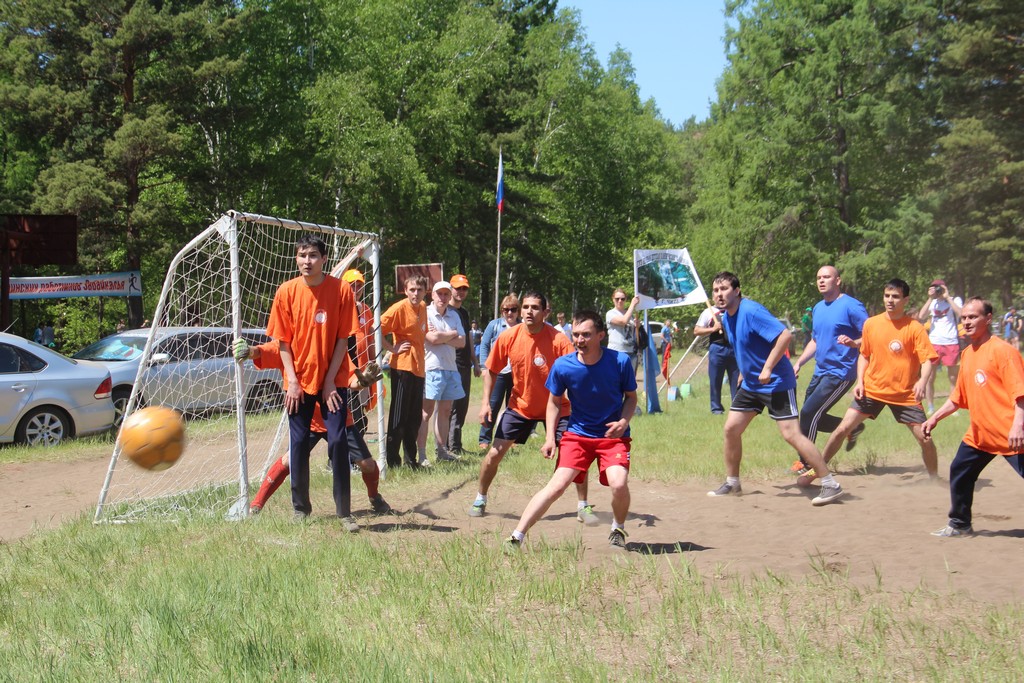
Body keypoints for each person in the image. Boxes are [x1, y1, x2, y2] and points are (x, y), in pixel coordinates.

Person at [704, 272, 845, 506]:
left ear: (737, 291)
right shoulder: (726, 317)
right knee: (731, 429)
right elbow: (743, 346)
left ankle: (831, 484)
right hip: (751, 384)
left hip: (776, 382)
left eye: (724, 289)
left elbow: (785, 335)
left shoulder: (751, 311)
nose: (719, 294)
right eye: (716, 290)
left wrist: (768, 367)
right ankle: (732, 483)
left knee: (791, 435)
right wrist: (743, 373)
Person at [503, 309, 638, 552]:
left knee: (619, 484)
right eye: (575, 334)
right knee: (556, 486)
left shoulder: (620, 362)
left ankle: (617, 529)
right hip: (578, 436)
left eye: (586, 334)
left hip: (612, 437)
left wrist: (623, 421)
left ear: (601, 336)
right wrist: (549, 438)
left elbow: (631, 398)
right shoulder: (563, 366)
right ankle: (516, 536)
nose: (579, 340)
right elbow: (554, 403)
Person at [469, 292, 594, 522]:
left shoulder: (558, 340)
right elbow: (492, 370)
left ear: (545, 312)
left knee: (575, 455)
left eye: (535, 307)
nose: (529, 311)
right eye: (525, 307)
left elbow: (577, 372)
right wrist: (485, 403)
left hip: (558, 407)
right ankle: (480, 498)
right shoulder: (509, 336)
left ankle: (583, 506)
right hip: (521, 407)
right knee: (494, 454)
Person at [233, 339, 392, 517]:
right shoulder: (288, 345)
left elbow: (351, 379)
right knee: (288, 461)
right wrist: (248, 350)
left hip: (336, 414)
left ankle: (374, 497)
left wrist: (363, 381)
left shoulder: (331, 346)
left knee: (367, 465)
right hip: (307, 420)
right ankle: (256, 505)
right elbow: (263, 352)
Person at [265, 234, 359, 527]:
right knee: (298, 444)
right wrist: (292, 381)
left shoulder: (341, 290)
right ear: (296, 258)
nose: (307, 261)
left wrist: (330, 381)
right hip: (298, 382)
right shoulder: (286, 291)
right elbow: (282, 342)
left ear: (324, 259)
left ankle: (344, 512)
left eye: (313, 255)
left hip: (333, 381)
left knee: (338, 440)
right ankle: (300, 509)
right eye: (303, 255)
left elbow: (343, 340)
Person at [813, 279, 939, 484]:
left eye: (895, 296)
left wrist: (922, 381)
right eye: (887, 296)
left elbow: (927, 360)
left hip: (905, 394)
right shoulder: (871, 324)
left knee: (925, 438)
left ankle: (934, 479)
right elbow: (864, 355)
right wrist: (860, 382)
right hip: (872, 390)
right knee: (842, 429)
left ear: (905, 300)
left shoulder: (915, 328)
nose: (890, 300)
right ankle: (818, 470)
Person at [923, 298, 1024, 537]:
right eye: (964, 318)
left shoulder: (1003, 351)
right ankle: (960, 524)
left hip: (1011, 433)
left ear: (988, 319)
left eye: (973, 317)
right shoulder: (967, 354)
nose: (967, 322)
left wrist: (1018, 427)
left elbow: (1020, 394)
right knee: (960, 470)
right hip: (981, 435)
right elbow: (957, 397)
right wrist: (935, 418)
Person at [791, 266, 869, 468]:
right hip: (821, 371)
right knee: (810, 416)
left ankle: (807, 463)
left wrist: (854, 343)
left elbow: (872, 335)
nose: (821, 281)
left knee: (809, 413)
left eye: (826, 277)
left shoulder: (851, 306)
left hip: (841, 372)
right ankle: (853, 427)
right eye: (819, 277)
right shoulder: (818, 308)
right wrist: (799, 363)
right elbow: (815, 341)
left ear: (838, 280)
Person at [380, 275, 427, 469]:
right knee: (398, 416)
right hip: (402, 368)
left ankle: (410, 460)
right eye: (412, 290)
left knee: (414, 417)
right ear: (405, 291)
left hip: (419, 368)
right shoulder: (398, 308)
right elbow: (375, 328)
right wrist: (392, 349)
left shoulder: (423, 307)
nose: (416, 294)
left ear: (425, 291)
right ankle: (392, 461)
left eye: (419, 290)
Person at [416, 280, 465, 465]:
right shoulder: (425, 312)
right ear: (433, 295)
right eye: (440, 294)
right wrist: (452, 334)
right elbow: (432, 338)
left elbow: (462, 342)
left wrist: (442, 336)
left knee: (445, 411)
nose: (443, 298)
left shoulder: (454, 315)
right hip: (431, 368)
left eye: (446, 294)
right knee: (426, 412)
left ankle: (442, 451)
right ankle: (422, 454)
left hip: (450, 368)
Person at [477, 295, 520, 448]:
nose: (509, 313)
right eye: (506, 310)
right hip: (498, 371)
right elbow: (484, 346)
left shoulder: (523, 327)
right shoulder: (494, 325)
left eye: (513, 309)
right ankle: (484, 439)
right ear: (502, 311)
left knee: (513, 407)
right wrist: (484, 367)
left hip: (516, 373)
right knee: (493, 405)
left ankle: (510, 439)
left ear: (518, 311)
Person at [917, 278, 963, 413]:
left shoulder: (955, 300)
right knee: (930, 377)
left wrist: (947, 297)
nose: (938, 291)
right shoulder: (933, 302)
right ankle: (930, 406)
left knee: (953, 377)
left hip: (951, 342)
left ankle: (953, 406)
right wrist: (930, 298)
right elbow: (921, 315)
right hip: (934, 342)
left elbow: (961, 314)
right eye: (935, 288)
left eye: (939, 288)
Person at [447, 274, 481, 456]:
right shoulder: (445, 310)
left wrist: (475, 362)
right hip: (450, 364)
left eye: (464, 289)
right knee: (451, 406)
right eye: (457, 288)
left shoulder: (464, 312)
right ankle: (449, 446)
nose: (461, 292)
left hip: (465, 365)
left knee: (462, 406)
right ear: (451, 289)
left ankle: (456, 444)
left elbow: (468, 338)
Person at [342, 268, 377, 434]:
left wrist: (374, 362)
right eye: (352, 285)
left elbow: (370, 339)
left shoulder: (366, 309)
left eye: (359, 286)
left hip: (363, 370)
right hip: (347, 372)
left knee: (360, 415)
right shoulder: (340, 308)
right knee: (352, 417)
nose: (356, 289)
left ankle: (355, 448)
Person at [693, 302, 739, 414]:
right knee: (715, 379)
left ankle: (738, 407)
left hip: (734, 347)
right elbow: (697, 331)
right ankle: (716, 409)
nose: (720, 297)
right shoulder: (708, 312)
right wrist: (712, 329)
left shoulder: (734, 308)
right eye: (717, 294)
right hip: (717, 348)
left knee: (737, 380)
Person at [606, 289, 640, 370]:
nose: (620, 301)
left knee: (631, 377)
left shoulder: (630, 314)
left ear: (625, 300)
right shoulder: (610, 313)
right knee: (617, 377)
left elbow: (635, 332)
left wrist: (638, 326)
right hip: (616, 351)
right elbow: (623, 321)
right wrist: (632, 305)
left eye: (622, 299)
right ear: (613, 299)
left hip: (631, 351)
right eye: (617, 299)